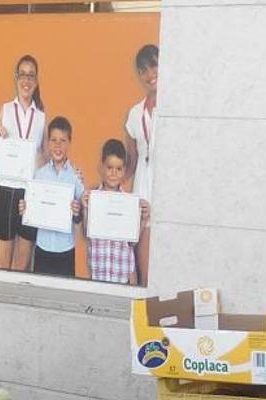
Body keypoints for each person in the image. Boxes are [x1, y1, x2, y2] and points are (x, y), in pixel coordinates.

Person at [0, 55, 47, 272]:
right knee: (2, 267)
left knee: (21, 266)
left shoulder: (41, 117)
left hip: (28, 193)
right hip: (4, 190)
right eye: (22, 74)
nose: (26, 80)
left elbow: (42, 158)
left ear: (36, 80)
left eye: (31, 76)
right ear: (16, 78)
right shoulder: (5, 110)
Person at [18, 117, 83, 277]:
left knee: (65, 297)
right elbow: (31, 213)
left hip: (66, 250)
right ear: (47, 143)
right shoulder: (39, 175)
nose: (58, 145)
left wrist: (77, 212)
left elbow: (80, 217)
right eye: (53, 140)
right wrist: (25, 210)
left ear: (69, 143)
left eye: (62, 140)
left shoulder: (76, 177)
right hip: (42, 248)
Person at [83, 140, 150, 285]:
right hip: (99, 273)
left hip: (123, 275)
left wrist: (143, 219)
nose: (113, 173)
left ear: (124, 170)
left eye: (118, 169)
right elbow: (86, 234)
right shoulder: (93, 198)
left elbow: (132, 242)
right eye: (110, 167)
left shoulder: (129, 203)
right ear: (101, 167)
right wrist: (86, 208)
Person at [125, 44, 158, 285]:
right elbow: (129, 165)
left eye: (154, 66)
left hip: (168, 200)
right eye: (143, 70)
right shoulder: (135, 114)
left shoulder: (178, 109)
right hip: (142, 199)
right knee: (144, 275)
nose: (150, 75)